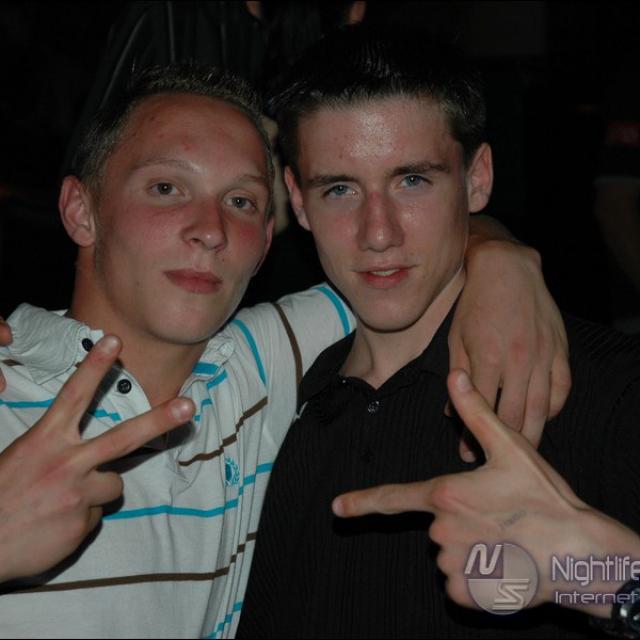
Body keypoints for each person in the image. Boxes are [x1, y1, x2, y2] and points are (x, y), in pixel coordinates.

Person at [0, 63, 568, 637]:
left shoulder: (256, 363)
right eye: (166, 188)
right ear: (81, 211)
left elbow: (412, 254)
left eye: (241, 200)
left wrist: (502, 261)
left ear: (266, 240)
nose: (211, 229)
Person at [237, 27, 640, 638]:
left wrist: (601, 575)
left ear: (478, 179)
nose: (378, 232)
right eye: (339, 189)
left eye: (413, 181)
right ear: (296, 198)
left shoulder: (609, 388)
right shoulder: (271, 414)